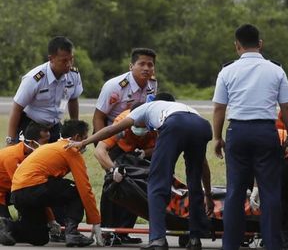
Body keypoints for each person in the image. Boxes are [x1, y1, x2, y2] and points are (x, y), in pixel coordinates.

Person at [65, 98, 214, 250]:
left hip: (175, 125)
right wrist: (208, 195)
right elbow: (203, 165)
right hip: (202, 126)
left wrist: (84, 142)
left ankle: (158, 240)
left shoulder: (140, 111)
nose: (137, 127)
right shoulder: (173, 109)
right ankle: (195, 239)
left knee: (157, 183)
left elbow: (110, 130)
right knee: (194, 182)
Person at [212, 23, 288, 250]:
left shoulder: (227, 71)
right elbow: (287, 108)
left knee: (235, 192)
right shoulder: (276, 70)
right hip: (265, 132)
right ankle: (272, 244)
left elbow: (219, 108)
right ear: (260, 44)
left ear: (237, 46)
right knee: (270, 192)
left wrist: (217, 138)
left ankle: (230, 245)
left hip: (237, 132)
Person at [0, 120, 103, 247]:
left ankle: (9, 227)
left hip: (17, 193)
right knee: (77, 190)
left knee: (40, 237)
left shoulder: (48, 148)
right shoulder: (70, 150)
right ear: (77, 137)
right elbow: (84, 187)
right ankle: (72, 234)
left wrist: (51, 220)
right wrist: (95, 221)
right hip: (29, 190)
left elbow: (42, 189)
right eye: (85, 139)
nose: (86, 144)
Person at [94, 94, 170, 246]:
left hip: (142, 151)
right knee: (113, 185)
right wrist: (112, 170)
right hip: (119, 150)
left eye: (144, 127)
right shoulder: (122, 123)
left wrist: (145, 153)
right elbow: (100, 150)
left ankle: (124, 232)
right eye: (137, 125)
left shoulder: (157, 124)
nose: (140, 129)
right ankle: (107, 231)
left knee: (138, 188)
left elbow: (163, 147)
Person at [7, 36, 83, 145]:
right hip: (31, 127)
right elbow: (17, 108)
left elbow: (73, 99)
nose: (69, 64)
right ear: (51, 59)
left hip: (54, 126)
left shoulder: (73, 75)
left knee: (59, 158)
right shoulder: (35, 78)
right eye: (64, 60)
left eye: (71, 59)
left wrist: (75, 128)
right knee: (28, 159)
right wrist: (11, 140)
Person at [93, 48, 157, 134]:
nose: (146, 68)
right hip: (113, 132)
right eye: (141, 64)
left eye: (150, 65)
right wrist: (101, 143)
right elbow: (98, 117)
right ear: (131, 66)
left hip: (139, 131)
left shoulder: (153, 83)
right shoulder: (114, 86)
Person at [0, 122, 51, 218]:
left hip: (6, 192)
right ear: (32, 142)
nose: (47, 146)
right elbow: (24, 188)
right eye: (44, 142)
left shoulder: (30, 154)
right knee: (6, 229)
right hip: (6, 192)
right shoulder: (12, 158)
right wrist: (50, 219)